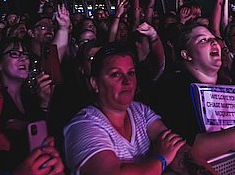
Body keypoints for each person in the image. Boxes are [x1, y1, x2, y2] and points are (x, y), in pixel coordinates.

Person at [64, 43, 190, 175]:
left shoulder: (140, 111)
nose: (127, 81)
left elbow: (176, 150)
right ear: (95, 83)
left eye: (131, 73)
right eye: (115, 74)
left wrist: (197, 167)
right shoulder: (83, 126)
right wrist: (161, 159)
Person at [152, 24, 235, 161]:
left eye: (213, 38)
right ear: (187, 55)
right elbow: (187, 150)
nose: (214, 42)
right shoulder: (171, 89)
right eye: (203, 40)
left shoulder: (232, 88)